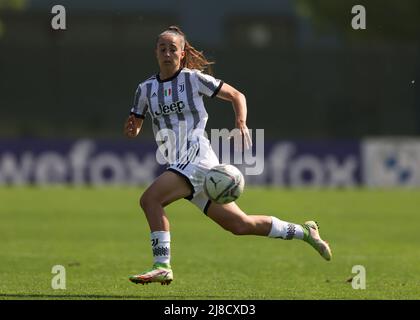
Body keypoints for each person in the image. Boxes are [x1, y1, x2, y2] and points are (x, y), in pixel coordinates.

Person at [124, 26, 332, 285]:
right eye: (162, 48)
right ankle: (304, 232)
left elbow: (236, 95)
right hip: (180, 163)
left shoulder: (192, 79)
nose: (167, 53)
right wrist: (133, 128)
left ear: (183, 53)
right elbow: (136, 121)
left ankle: (162, 265)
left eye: (172, 49)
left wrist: (241, 122)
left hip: (195, 155)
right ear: (155, 52)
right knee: (240, 225)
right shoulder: (145, 89)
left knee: (150, 200)